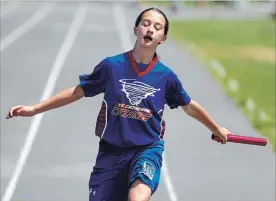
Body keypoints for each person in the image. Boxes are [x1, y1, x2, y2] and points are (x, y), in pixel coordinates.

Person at [6, 7, 230, 201]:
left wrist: (216, 128)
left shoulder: (166, 77)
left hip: (146, 150)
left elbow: (189, 106)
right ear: (136, 30)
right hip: (111, 153)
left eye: (157, 27)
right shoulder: (111, 67)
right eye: (145, 24)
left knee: (137, 196)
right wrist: (35, 109)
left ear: (163, 38)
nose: (150, 29)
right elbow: (75, 93)